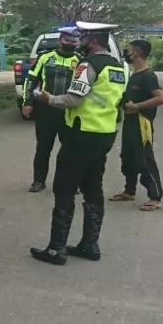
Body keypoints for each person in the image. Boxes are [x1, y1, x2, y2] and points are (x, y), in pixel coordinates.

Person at [30, 24, 126, 265]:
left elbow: (73, 99)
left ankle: (56, 249)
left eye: (83, 36)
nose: (79, 40)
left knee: (64, 188)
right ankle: (90, 245)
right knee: (93, 187)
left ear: (93, 39)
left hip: (81, 133)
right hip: (105, 134)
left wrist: (48, 99)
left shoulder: (87, 65)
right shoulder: (118, 67)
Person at [21, 27, 81, 192]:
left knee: (70, 150)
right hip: (45, 110)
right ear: (61, 39)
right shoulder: (45, 57)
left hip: (68, 111)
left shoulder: (80, 60)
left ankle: (70, 182)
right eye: (68, 40)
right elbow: (31, 80)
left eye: (75, 41)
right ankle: (38, 181)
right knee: (43, 148)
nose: (71, 43)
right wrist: (27, 103)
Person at [112, 39, 163, 211]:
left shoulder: (148, 76)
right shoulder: (134, 74)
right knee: (127, 157)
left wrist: (137, 107)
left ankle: (155, 197)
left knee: (144, 159)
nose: (126, 53)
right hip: (130, 123)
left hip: (142, 124)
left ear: (136, 53)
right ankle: (129, 191)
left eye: (128, 50)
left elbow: (160, 98)